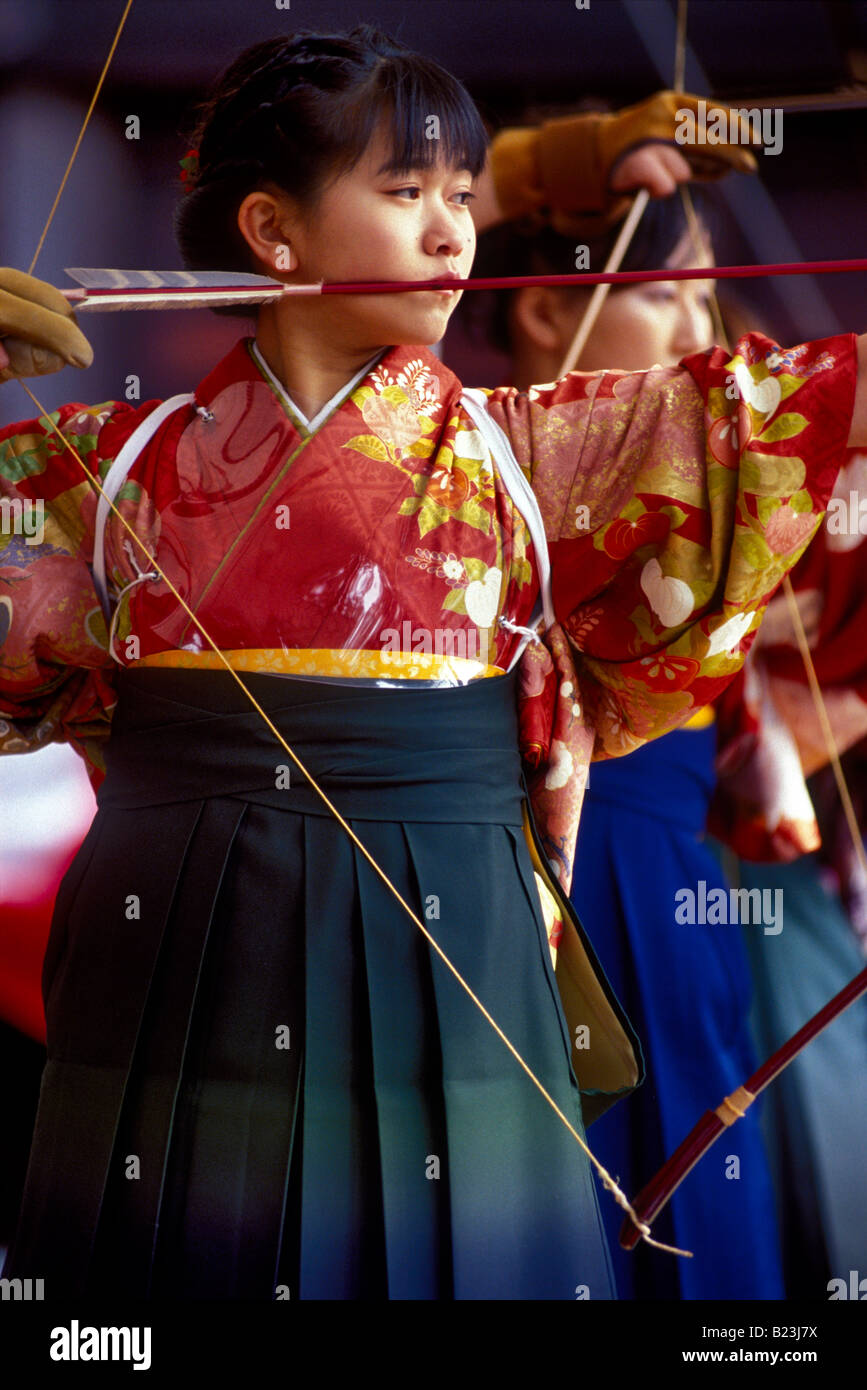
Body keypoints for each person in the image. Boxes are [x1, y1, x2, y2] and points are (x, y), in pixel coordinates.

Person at [0, 26, 864, 1301]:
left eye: (463, 196)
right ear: (272, 233)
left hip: (459, 961)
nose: (454, 234)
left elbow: (798, 411)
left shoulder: (541, 458)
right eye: (407, 194)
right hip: (180, 959)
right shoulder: (103, 474)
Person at [468, 195, 786, 1299]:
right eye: (671, 292)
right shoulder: (470, 447)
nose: (707, 329)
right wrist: (570, 162)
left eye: (709, 291)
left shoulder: (689, 447)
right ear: (552, 306)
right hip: (520, 854)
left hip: (658, 852)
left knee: (694, 1152)